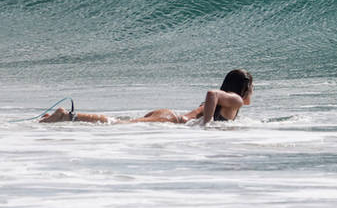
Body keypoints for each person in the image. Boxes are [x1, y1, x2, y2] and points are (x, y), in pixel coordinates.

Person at [39, 69, 254, 126]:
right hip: (171, 121)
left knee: (122, 124)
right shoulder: (235, 100)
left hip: (169, 118)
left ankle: (65, 117)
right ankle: (67, 116)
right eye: (252, 87)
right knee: (118, 124)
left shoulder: (229, 103)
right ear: (245, 88)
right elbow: (211, 93)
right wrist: (206, 125)